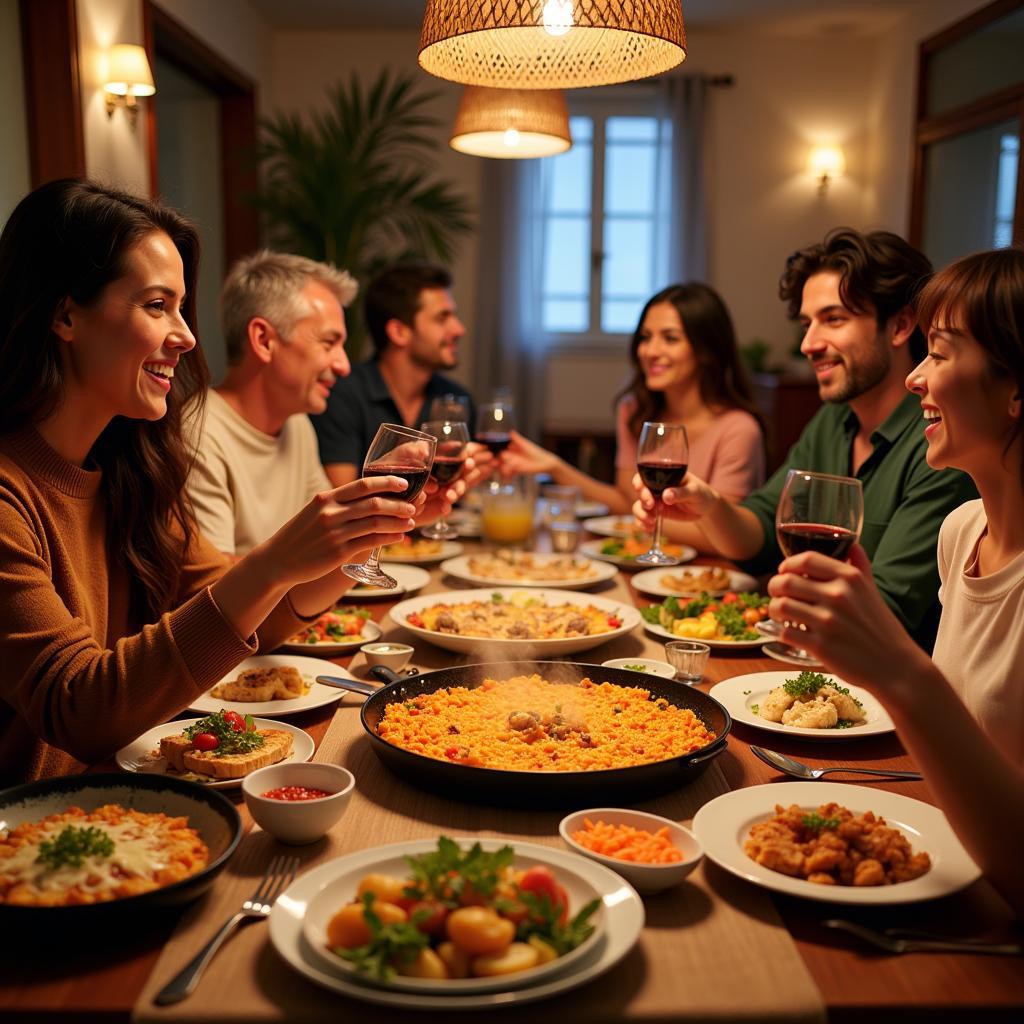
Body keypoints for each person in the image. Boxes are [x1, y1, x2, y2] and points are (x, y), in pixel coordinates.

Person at [0, 180, 423, 784]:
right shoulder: (10, 494)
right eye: (155, 305)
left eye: (181, 306)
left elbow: (247, 621)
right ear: (65, 314)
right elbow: (80, 710)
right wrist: (275, 562)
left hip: (135, 793)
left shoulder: (132, 471)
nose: (188, 336)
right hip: (41, 843)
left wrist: (348, 543)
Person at [766, 247, 1024, 914]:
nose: (917, 380)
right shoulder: (962, 532)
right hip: (942, 865)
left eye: (940, 353)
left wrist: (896, 668)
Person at [634, 228, 978, 650]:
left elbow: (887, 614)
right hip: (811, 651)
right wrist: (707, 504)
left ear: (901, 325)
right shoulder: (833, 420)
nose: (808, 344)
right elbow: (759, 533)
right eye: (806, 323)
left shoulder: (942, 444)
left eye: (833, 319)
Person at [185, 252, 468, 557]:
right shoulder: (198, 434)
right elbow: (217, 593)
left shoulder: (296, 424)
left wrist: (392, 517)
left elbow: (326, 550)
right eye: (328, 342)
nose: (344, 365)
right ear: (264, 340)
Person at [499, 283, 765, 512]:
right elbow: (627, 501)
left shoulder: (739, 429)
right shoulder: (636, 411)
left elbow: (725, 538)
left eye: (670, 339)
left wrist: (639, 521)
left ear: (707, 350)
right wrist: (554, 466)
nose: (650, 351)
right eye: (645, 337)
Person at [313, 263, 476, 486]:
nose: (459, 329)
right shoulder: (342, 394)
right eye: (442, 318)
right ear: (399, 332)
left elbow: (462, 491)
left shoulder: (456, 399)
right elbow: (341, 499)